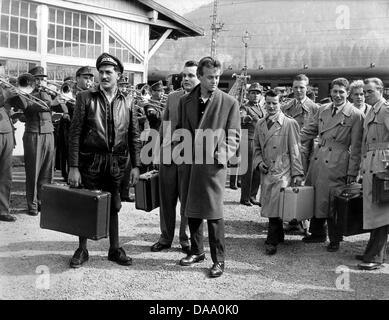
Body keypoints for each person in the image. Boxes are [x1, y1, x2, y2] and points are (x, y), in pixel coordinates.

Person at [67, 53, 141, 268]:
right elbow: (75, 133)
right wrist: (73, 167)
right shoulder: (85, 98)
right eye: (101, 72)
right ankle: (82, 249)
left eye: (109, 72)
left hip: (117, 163)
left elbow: (133, 135)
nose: (104, 76)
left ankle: (115, 248)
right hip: (90, 161)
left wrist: (136, 166)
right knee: (85, 205)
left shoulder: (128, 100)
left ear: (118, 75)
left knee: (115, 205)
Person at [175, 56, 240, 278]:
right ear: (200, 77)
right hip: (190, 164)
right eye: (210, 77)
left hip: (212, 166)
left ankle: (219, 260)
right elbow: (179, 130)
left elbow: (234, 135)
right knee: (191, 209)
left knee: (214, 214)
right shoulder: (185, 101)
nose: (214, 81)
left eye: (217, 77)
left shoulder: (229, 102)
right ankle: (196, 251)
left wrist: (220, 157)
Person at [300, 78, 364, 252]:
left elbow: (357, 146)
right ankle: (317, 233)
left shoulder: (355, 114)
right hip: (319, 158)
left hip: (339, 161)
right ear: (330, 92)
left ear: (348, 93)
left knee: (333, 201)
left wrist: (353, 171)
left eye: (341, 92)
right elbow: (310, 130)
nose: (337, 95)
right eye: (335, 91)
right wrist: (291, 138)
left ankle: (335, 238)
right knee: (316, 195)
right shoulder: (323, 109)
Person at [150, 60, 200, 254]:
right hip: (169, 156)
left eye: (191, 75)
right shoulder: (172, 97)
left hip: (191, 158)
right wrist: (157, 152)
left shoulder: (206, 100)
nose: (186, 79)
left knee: (187, 200)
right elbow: (165, 125)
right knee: (166, 199)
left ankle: (185, 238)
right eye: (184, 75)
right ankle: (165, 237)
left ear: (200, 78)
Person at [253, 89, 304, 255]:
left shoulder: (289, 123)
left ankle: (271, 240)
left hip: (283, 171)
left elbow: (295, 150)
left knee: (275, 205)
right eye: (268, 103)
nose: (271, 106)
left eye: (274, 103)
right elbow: (257, 148)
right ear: (264, 103)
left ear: (280, 103)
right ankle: (279, 235)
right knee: (270, 204)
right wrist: (259, 162)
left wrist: (297, 174)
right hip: (267, 170)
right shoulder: (260, 124)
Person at [10, 67, 54, 216]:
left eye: (42, 78)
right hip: (33, 134)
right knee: (33, 171)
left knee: (47, 172)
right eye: (38, 78)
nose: (41, 81)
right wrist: (45, 96)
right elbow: (31, 107)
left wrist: (52, 98)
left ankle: (43, 202)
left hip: (49, 133)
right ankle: (32, 205)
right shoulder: (25, 94)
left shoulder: (46, 93)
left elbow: (55, 106)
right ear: (31, 80)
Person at [357, 78, 389, 270]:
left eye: (370, 91)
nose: (366, 95)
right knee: (374, 208)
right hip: (372, 162)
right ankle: (373, 251)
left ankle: (376, 256)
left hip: (382, 164)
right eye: (365, 91)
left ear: (381, 90)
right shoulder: (371, 110)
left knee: (381, 210)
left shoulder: (385, 109)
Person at [281, 74, 319, 235]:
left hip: (305, 152)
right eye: (295, 87)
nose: (298, 90)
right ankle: (290, 219)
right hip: (287, 153)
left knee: (303, 186)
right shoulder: (286, 106)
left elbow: (316, 133)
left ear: (307, 88)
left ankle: (303, 221)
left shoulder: (315, 108)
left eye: (302, 87)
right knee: (289, 185)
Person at [239, 82, 265, 206]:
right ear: (248, 95)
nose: (255, 95)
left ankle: (253, 196)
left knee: (257, 171)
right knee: (248, 170)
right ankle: (245, 198)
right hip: (248, 140)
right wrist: (246, 118)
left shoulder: (262, 108)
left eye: (258, 93)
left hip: (260, 142)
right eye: (253, 93)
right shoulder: (245, 107)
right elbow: (240, 118)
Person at [0, 67, 16, 222]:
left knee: (6, 174)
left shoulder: (3, 86)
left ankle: (3, 210)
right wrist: (5, 94)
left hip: (6, 131)